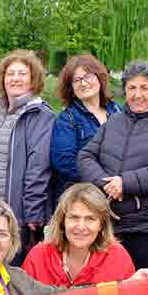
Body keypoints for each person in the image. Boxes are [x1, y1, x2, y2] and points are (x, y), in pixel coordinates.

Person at [78, 60, 148, 270]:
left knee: (146, 293)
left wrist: (125, 183)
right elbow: (85, 156)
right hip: (110, 225)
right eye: (131, 88)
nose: (137, 94)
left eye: (145, 88)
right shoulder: (114, 121)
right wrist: (106, 184)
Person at [0, 50, 55, 263]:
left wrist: (32, 211)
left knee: (13, 276)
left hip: (17, 215)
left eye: (22, 73)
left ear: (33, 80)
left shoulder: (40, 115)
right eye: (10, 73)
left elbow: (38, 166)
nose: (15, 78)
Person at [22, 182, 136, 288]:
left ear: (101, 224)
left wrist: (139, 282)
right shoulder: (38, 256)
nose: (81, 226)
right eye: (74, 217)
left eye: (90, 219)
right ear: (62, 221)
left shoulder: (117, 256)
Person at [50, 54, 119, 204]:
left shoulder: (118, 112)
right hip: (81, 198)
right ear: (71, 88)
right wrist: (102, 181)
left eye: (88, 76)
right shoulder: (67, 119)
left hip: (117, 194)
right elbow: (64, 161)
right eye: (76, 80)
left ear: (99, 78)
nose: (83, 83)